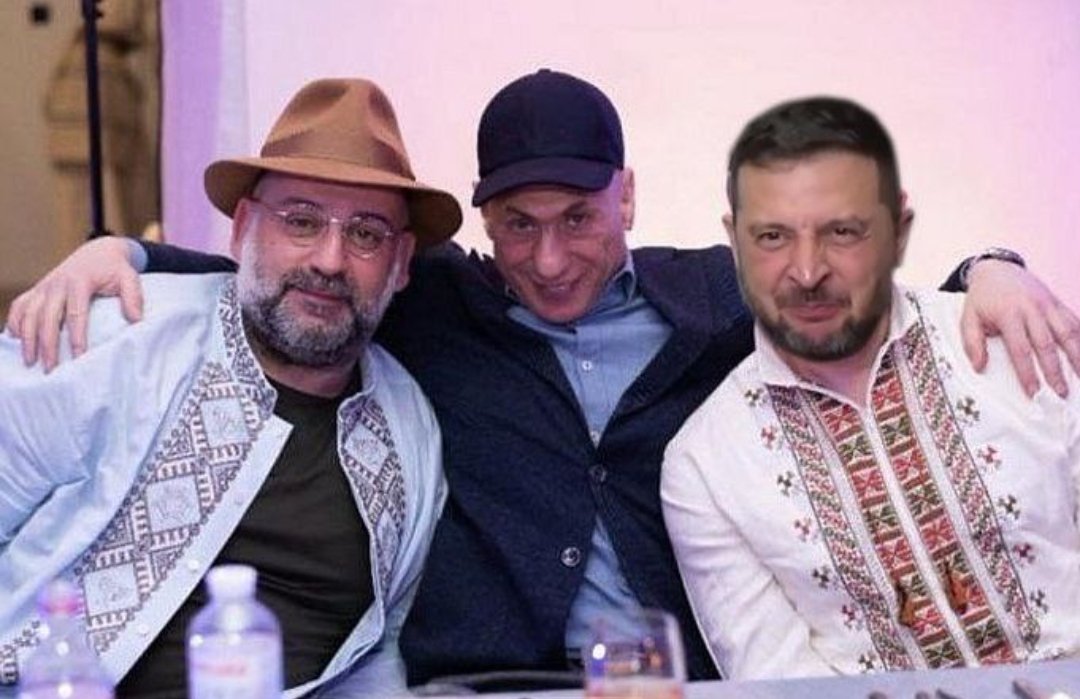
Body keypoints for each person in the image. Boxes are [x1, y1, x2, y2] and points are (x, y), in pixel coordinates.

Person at [7, 70, 1080, 688]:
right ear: (480, 220)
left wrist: (988, 268)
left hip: (669, 681)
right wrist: (125, 252)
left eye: (579, 218)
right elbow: (296, 277)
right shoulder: (433, 302)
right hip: (482, 683)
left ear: (627, 197)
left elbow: (845, 283)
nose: (551, 257)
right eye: (518, 225)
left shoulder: (711, 298)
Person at [0, 77, 461, 698]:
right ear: (242, 228)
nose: (329, 259)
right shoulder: (112, 339)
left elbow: (381, 654)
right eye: (301, 221)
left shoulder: (409, 432)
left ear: (401, 262)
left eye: (366, 234)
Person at [661, 96, 1080, 681]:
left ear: (897, 228)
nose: (808, 272)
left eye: (842, 231)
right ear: (734, 240)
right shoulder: (706, 464)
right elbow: (780, 684)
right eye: (772, 236)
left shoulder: (1022, 342)